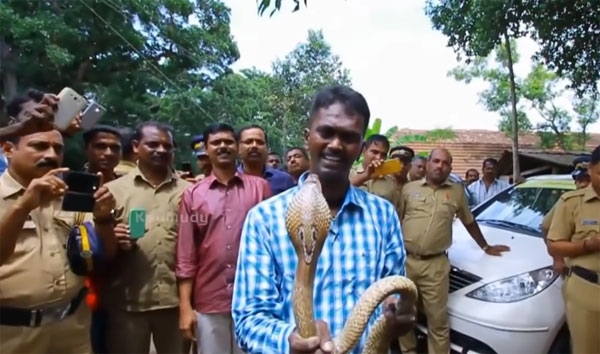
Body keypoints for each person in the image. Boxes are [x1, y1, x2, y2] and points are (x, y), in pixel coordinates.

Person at [232, 85, 415, 354]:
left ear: (361, 148)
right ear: (308, 137)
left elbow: (393, 296)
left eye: (349, 137)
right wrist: (289, 340)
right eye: (326, 133)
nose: (336, 145)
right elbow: (248, 319)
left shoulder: (383, 215)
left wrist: (398, 315)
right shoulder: (264, 219)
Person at [0, 123, 117, 353]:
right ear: (8, 149)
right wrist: (22, 207)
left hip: (73, 328)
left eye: (57, 148)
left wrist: (104, 219)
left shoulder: (70, 196)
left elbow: (104, 255)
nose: (51, 155)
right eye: (39, 146)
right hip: (11, 333)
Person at [398, 148, 510, 354]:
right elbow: (397, 221)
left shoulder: (457, 191)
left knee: (438, 321)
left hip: (435, 265)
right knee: (405, 315)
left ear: (450, 168)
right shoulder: (408, 189)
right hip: (406, 262)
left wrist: (485, 246)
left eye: (445, 163)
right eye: (437, 161)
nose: (440, 166)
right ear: (429, 163)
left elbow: (469, 221)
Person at [177, 123, 272, 354]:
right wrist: (185, 307)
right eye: (215, 143)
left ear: (237, 147)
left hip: (254, 299)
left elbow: (273, 246)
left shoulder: (260, 188)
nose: (222, 146)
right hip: (209, 299)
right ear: (206, 150)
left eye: (228, 142)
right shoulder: (192, 194)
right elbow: (186, 255)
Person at [102, 122, 191, 354]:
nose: (161, 150)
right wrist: (113, 236)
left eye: (167, 146)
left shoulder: (189, 192)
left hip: (176, 304)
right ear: (135, 146)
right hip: (127, 302)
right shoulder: (113, 190)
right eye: (152, 144)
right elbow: (98, 245)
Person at [546, 145, 600, 354]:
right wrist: (588, 245)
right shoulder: (572, 202)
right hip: (587, 289)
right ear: (590, 169)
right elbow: (554, 245)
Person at [541, 156, 591, 275]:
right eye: (580, 180)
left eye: (587, 180)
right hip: (578, 274)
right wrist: (557, 259)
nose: (583, 185)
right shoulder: (568, 202)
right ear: (575, 182)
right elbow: (545, 227)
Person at [237, 125, 295, 195]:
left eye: (260, 142)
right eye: (248, 142)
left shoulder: (284, 180)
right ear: (238, 148)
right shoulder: (231, 180)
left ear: (267, 148)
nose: (254, 146)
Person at [349, 134, 401, 210]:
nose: (378, 157)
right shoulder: (348, 174)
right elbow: (336, 193)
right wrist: (365, 176)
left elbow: (393, 213)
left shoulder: (390, 183)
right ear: (364, 150)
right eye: (374, 152)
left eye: (383, 154)